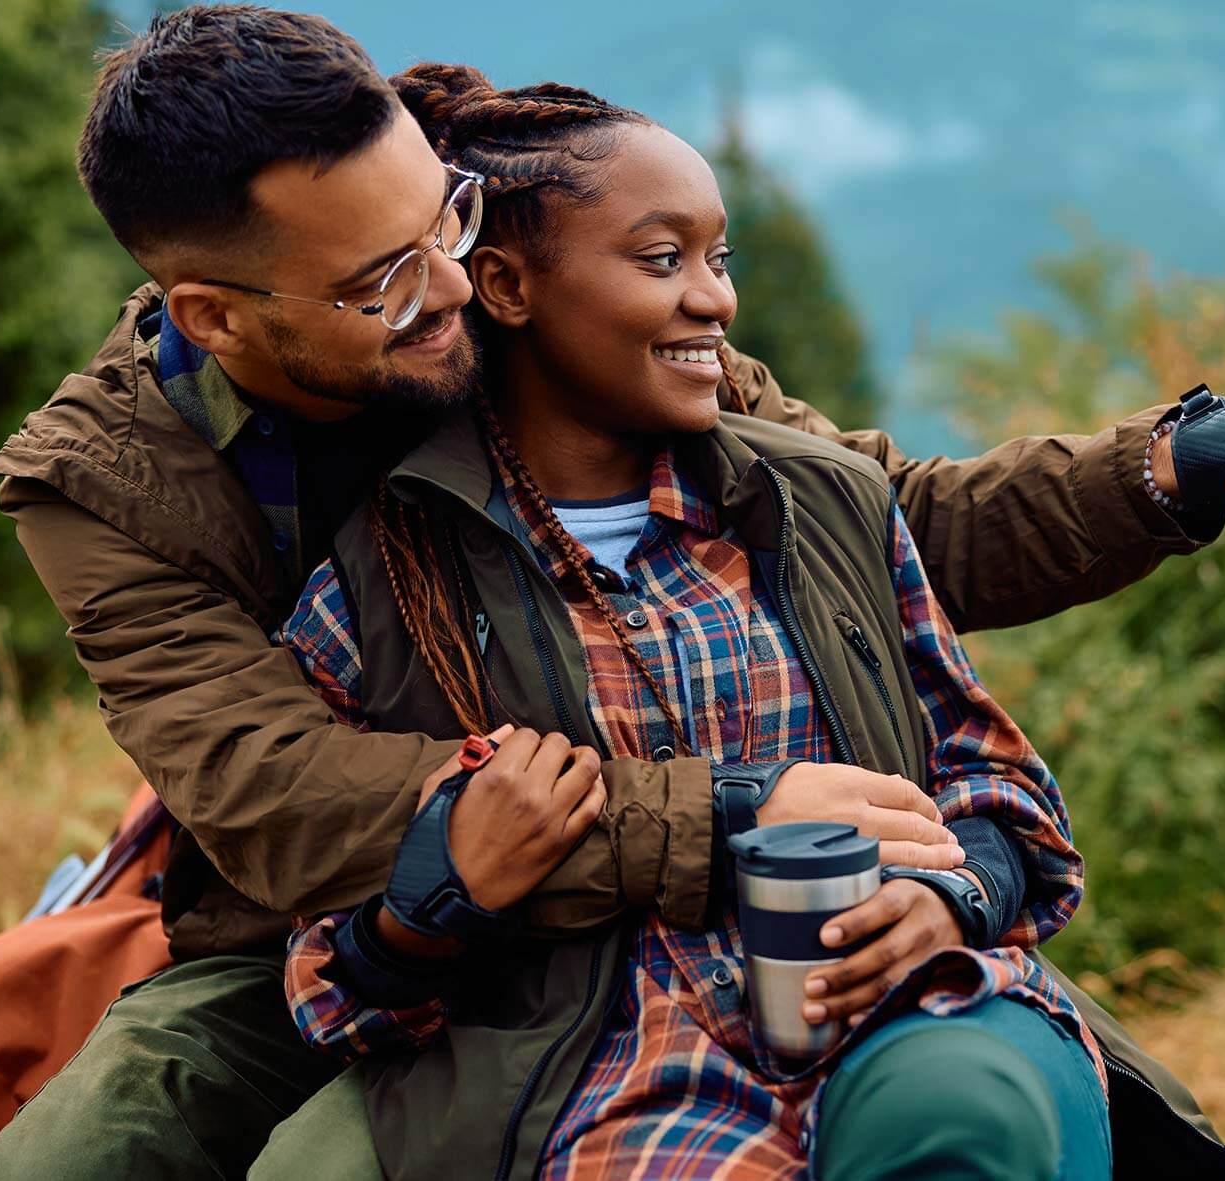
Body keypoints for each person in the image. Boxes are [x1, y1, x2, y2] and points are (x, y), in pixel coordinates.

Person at [0, 6, 1225, 1178]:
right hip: (347, 927)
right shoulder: (103, 481)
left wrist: (1180, 469)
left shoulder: (521, 307)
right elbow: (282, 797)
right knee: (85, 1153)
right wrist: (735, 806)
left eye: (451, 221)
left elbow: (883, 523)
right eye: (379, 281)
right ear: (215, 313)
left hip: (693, 920)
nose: (446, 287)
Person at [255, 66, 1114, 1179]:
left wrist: (951, 896)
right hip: (620, 1072)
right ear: (507, 287)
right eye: (664, 260)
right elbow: (336, 979)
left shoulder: (824, 505)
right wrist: (439, 898)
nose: (716, 300)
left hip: (908, 1007)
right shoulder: (385, 583)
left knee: (957, 1123)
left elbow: (998, 785)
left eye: (719, 258)